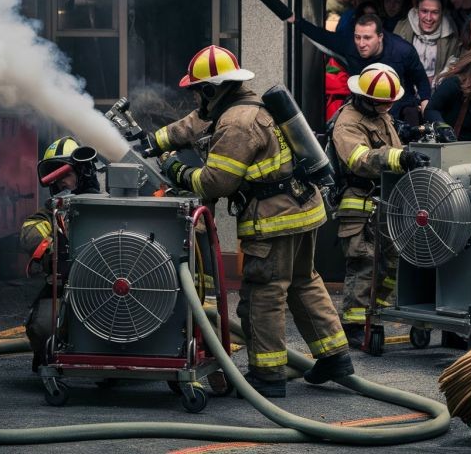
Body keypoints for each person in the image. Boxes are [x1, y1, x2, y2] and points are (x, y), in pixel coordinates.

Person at [144, 45, 353, 397]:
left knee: (263, 293)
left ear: (211, 89)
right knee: (304, 281)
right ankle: (335, 356)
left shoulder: (236, 124)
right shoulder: (244, 103)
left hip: (274, 220)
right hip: (303, 210)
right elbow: (194, 124)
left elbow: (216, 182)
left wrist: (176, 170)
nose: (196, 98)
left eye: (198, 90)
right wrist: (154, 141)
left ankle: (267, 376)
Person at [330, 63, 430, 346]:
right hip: (360, 202)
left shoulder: (378, 114)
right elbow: (359, 160)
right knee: (364, 264)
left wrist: (418, 133)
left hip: (386, 200)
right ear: (364, 97)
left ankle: (379, 312)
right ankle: (354, 324)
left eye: (390, 103)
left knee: (391, 263)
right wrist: (399, 158)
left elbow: (390, 139)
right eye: (381, 103)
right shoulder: (348, 121)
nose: (387, 108)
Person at [20, 136, 100, 371]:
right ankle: (50, 355)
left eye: (64, 174)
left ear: (83, 172)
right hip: (65, 288)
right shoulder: (52, 210)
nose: (59, 183)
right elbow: (29, 230)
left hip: (114, 288)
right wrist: (55, 248)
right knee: (43, 327)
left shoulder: (113, 200)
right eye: (53, 177)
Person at [291, 12, 431, 123]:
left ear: (380, 37)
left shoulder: (403, 50)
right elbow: (320, 36)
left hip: (397, 108)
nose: (361, 43)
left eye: (367, 38)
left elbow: (422, 81)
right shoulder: (349, 44)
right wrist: (294, 19)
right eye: (358, 37)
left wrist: (426, 109)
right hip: (363, 108)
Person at [394, 0, 461, 90]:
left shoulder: (452, 37)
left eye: (435, 12)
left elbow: (454, 70)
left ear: (442, 13)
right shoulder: (400, 30)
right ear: (416, 10)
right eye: (424, 11)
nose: (429, 18)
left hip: (436, 97)